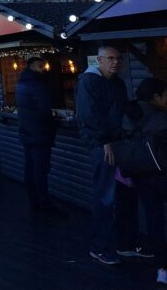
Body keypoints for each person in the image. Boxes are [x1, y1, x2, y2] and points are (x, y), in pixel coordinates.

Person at [75, 45, 129, 265]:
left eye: (118, 58)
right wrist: (104, 141)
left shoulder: (117, 82)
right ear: (99, 60)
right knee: (105, 196)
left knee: (124, 195)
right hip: (103, 146)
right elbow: (89, 115)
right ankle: (99, 247)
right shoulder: (88, 82)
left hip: (120, 144)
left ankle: (125, 243)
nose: (115, 62)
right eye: (110, 58)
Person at [122, 78, 167, 284]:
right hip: (161, 173)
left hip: (139, 174)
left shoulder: (128, 114)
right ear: (156, 97)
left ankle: (162, 268)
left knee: (154, 219)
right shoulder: (160, 118)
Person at [15, 56, 64, 215]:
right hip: (40, 133)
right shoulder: (37, 85)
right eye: (42, 67)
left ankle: (34, 201)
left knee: (30, 169)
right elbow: (44, 110)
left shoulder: (21, 83)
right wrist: (53, 121)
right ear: (35, 67)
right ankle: (44, 204)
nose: (44, 69)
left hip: (27, 132)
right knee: (40, 170)